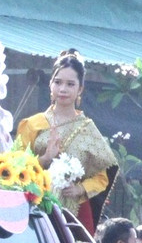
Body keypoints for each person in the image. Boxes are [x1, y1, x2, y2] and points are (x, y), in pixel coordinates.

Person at [15, 50, 118, 231]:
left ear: (80, 89)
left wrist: (80, 189)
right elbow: (13, 165)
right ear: (50, 84)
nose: (62, 89)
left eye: (70, 84)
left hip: (75, 212)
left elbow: (103, 176)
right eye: (58, 82)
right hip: (34, 206)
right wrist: (44, 159)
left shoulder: (88, 129)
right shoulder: (32, 124)